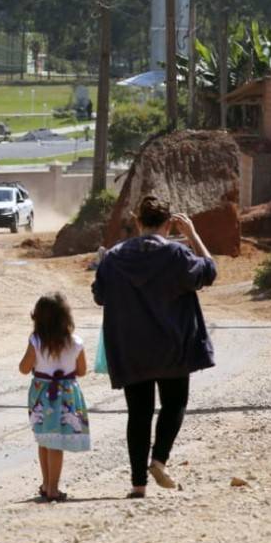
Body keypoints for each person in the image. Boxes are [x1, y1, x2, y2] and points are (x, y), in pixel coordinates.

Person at [93, 196, 217, 499]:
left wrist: (102, 263)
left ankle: (138, 485)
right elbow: (209, 271)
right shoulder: (177, 254)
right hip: (173, 348)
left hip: (131, 349)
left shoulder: (115, 257)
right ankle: (158, 460)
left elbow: (100, 295)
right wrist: (194, 236)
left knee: (139, 413)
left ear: (138, 221)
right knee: (174, 404)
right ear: (168, 223)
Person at [18, 293, 90, 503]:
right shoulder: (76, 342)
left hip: (42, 394)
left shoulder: (36, 341)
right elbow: (82, 370)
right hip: (66, 395)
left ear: (37, 317)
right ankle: (52, 487)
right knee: (55, 441)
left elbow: (24, 369)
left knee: (44, 439)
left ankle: (48, 486)